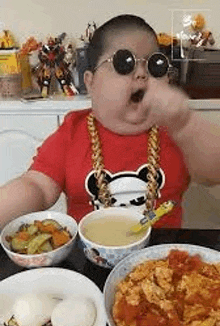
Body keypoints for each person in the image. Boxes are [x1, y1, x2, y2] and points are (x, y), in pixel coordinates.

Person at [0, 14, 219, 231]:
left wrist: (185, 123)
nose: (142, 73)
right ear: (91, 82)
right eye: (125, 63)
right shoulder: (72, 131)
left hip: (163, 258)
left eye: (155, 65)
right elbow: (37, 186)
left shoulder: (174, 129)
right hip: (90, 258)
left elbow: (213, 172)